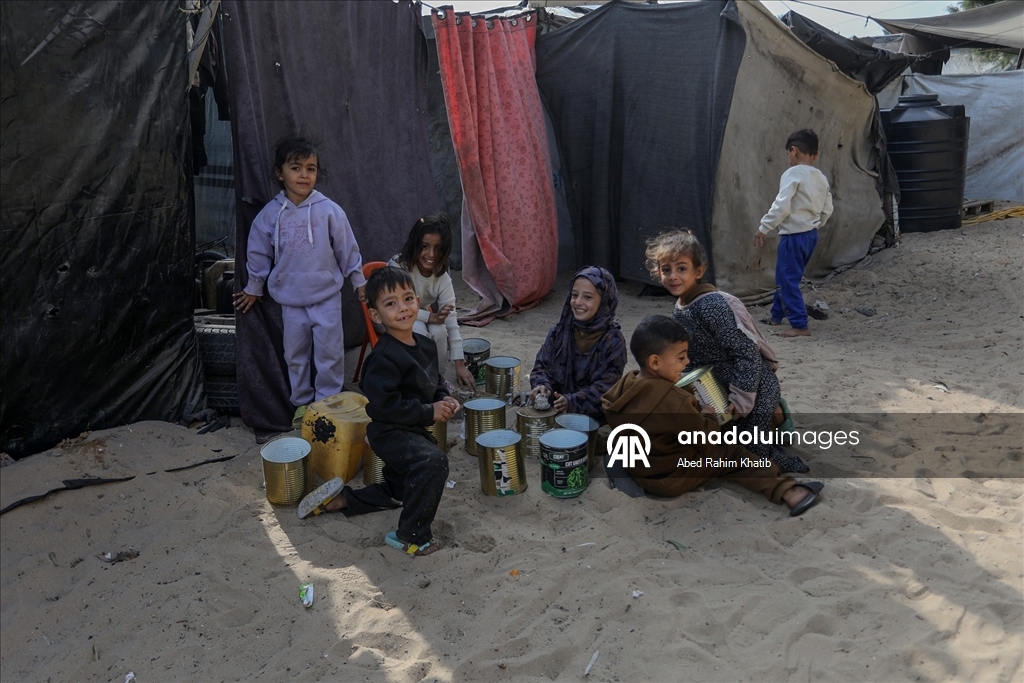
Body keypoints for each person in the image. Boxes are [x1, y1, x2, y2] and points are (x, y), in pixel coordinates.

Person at [295, 267, 459, 557]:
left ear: (418, 302)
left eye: (407, 299)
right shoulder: (382, 358)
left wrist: (444, 399)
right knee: (433, 464)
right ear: (375, 315)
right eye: (390, 304)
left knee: (400, 487)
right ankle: (410, 536)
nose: (402, 308)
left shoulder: (425, 345)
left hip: (413, 426)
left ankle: (345, 500)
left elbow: (432, 384)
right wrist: (427, 411)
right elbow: (384, 407)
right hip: (389, 431)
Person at [602, 315, 822, 516]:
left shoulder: (623, 387)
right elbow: (706, 441)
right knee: (735, 455)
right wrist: (707, 416)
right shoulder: (673, 400)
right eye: (680, 357)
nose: (687, 362)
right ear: (655, 362)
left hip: (640, 466)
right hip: (670, 477)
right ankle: (789, 492)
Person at [647, 229, 807, 473]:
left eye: (681, 268)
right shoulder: (680, 307)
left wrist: (741, 400)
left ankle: (780, 436)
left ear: (699, 271)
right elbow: (691, 354)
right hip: (717, 387)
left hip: (753, 385)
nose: (673, 276)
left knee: (750, 452)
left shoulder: (711, 306)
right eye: (666, 270)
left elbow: (747, 353)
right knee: (722, 442)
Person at [234, 136, 366, 425]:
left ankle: (327, 405)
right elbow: (257, 253)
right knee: (295, 355)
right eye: (296, 168)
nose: (304, 175)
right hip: (291, 302)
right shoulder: (270, 215)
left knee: (330, 354)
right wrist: (254, 287)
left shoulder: (329, 210)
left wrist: (358, 280)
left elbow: (347, 248)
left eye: (311, 168)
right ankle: (303, 407)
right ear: (280, 173)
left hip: (327, 298)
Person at [755, 128, 833, 337]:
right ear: (815, 155)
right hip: (810, 236)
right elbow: (828, 208)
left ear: (793, 150)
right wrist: (817, 223)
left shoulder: (792, 174)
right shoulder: (821, 178)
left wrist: (764, 227)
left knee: (787, 280)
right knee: (785, 277)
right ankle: (776, 316)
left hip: (793, 237)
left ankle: (799, 324)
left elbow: (782, 206)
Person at [387, 212, 475, 389]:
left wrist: (460, 364)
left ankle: (437, 378)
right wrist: (430, 318)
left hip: (419, 313)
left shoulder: (442, 278)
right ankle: (420, 381)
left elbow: (451, 322)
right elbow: (396, 306)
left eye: (438, 248)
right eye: (425, 246)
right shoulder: (398, 266)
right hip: (393, 316)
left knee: (440, 331)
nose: (431, 254)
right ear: (415, 244)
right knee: (420, 331)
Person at [528, 266, 627, 421]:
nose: (578, 302)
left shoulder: (612, 340)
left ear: (604, 301)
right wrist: (542, 386)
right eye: (574, 295)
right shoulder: (560, 330)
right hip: (556, 407)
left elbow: (607, 388)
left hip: (593, 417)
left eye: (588, 297)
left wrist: (572, 401)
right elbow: (542, 366)